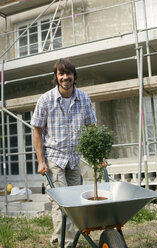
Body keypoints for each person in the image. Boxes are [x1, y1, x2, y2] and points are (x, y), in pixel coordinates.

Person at [31, 58, 97, 248]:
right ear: (56, 77)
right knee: (61, 203)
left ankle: (65, 239)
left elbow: (92, 128)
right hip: (54, 158)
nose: (65, 77)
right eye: (61, 74)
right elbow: (37, 131)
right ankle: (65, 244)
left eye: (68, 74)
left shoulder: (83, 98)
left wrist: (98, 157)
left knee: (75, 203)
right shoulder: (46, 100)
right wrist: (40, 161)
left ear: (74, 76)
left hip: (74, 159)